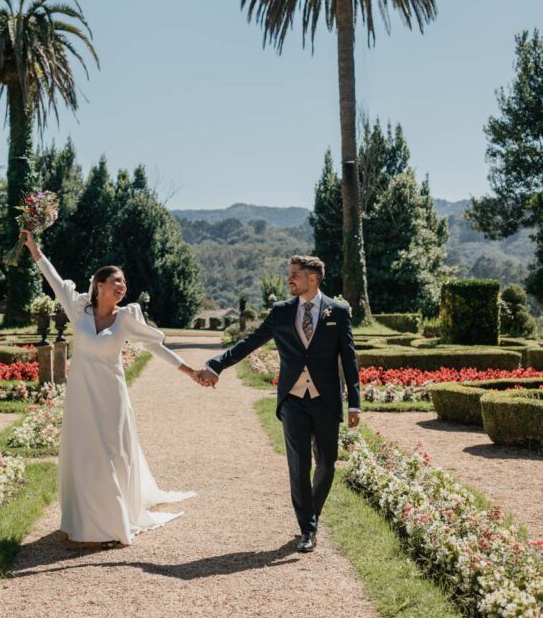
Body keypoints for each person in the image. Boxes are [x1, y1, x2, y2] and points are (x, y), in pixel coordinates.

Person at [22, 230, 201, 548]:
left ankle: (111, 525)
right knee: (85, 456)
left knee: (111, 455)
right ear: (99, 284)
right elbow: (53, 277)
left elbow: (155, 347)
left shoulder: (126, 318)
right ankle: (83, 523)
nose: (122, 287)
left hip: (112, 399)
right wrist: (34, 248)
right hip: (81, 399)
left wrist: (189, 371)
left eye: (124, 284)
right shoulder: (79, 310)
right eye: (116, 282)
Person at [200, 255, 360, 553]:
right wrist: (216, 364)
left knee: (326, 463)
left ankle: (311, 511)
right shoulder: (281, 312)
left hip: (326, 400)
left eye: (295, 275)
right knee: (298, 466)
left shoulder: (338, 312)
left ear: (313, 279)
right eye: (289, 274)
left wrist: (354, 402)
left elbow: (349, 359)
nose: (289, 279)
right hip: (293, 401)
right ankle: (308, 529)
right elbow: (249, 343)